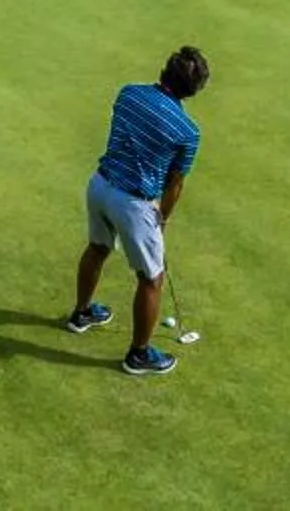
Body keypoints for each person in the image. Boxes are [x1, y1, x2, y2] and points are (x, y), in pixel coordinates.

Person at [65, 45, 209, 377]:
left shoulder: (129, 93)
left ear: (164, 70)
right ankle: (139, 355)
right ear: (194, 89)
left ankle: (81, 314)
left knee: (98, 248)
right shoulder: (188, 132)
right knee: (151, 279)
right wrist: (163, 219)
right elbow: (175, 184)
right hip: (134, 203)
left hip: (100, 185)